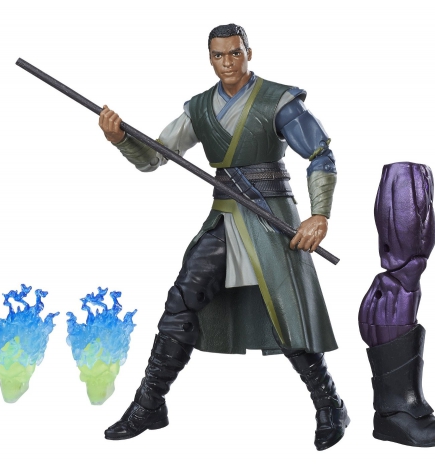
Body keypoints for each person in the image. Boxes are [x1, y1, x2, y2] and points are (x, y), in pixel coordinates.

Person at [100, 24, 348, 451]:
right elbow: (155, 156)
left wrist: (319, 216)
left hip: (270, 219)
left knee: (287, 313)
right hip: (225, 218)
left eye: (235, 53)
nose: (228, 63)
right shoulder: (200, 108)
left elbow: (320, 154)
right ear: (210, 58)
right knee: (181, 301)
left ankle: (330, 404)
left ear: (249, 52)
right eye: (219, 55)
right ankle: (149, 403)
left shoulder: (278, 100)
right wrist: (120, 138)